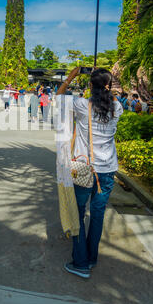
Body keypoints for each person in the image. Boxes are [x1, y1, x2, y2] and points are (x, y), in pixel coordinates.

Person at [57, 67, 123, 279]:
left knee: (78, 213)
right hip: (108, 169)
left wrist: (71, 77)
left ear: (90, 85)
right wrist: (105, 86)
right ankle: (91, 258)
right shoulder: (118, 107)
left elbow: (59, 97)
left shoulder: (82, 105)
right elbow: (109, 98)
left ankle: (81, 263)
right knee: (97, 215)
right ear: (109, 85)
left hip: (86, 169)